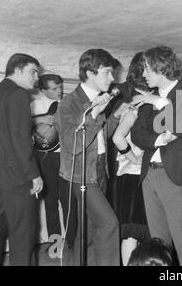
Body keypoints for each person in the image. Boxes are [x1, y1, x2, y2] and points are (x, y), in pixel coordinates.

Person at [130, 45, 182, 266]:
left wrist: (161, 103)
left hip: (175, 176)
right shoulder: (148, 97)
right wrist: (156, 140)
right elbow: (137, 134)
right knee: (158, 244)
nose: (143, 75)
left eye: (146, 69)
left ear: (160, 68)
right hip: (150, 176)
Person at [55, 49, 128, 266]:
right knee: (109, 224)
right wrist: (94, 114)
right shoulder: (70, 102)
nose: (112, 78)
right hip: (80, 175)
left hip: (99, 170)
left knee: (88, 232)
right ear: (89, 73)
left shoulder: (99, 99)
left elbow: (100, 138)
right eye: (107, 73)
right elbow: (72, 144)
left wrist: (116, 116)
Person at [0, 53, 44, 265]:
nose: (36, 78)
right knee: (22, 239)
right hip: (17, 180)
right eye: (32, 72)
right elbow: (21, 140)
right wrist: (34, 175)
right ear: (17, 70)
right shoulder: (18, 94)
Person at [110, 52, 151, 266]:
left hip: (144, 174)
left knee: (141, 230)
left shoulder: (150, 100)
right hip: (132, 174)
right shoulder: (134, 102)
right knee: (131, 231)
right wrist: (135, 159)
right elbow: (117, 137)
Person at [30, 74, 77, 249]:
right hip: (45, 157)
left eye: (60, 87)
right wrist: (38, 119)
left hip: (65, 155)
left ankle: (72, 242)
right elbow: (19, 124)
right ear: (42, 90)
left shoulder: (68, 103)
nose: (60, 91)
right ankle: (55, 243)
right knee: (51, 201)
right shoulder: (34, 105)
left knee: (68, 201)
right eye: (54, 88)